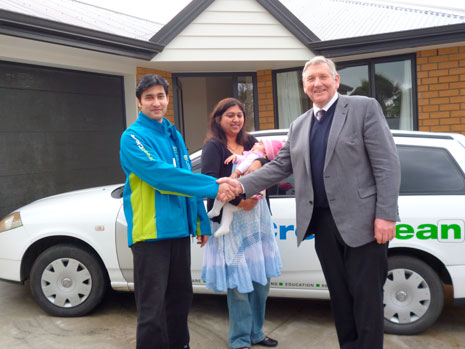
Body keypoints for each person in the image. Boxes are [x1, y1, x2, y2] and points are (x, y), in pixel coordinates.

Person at [219, 56, 401, 349]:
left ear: (336, 80)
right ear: (304, 87)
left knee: (366, 299)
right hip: (324, 225)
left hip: (364, 224)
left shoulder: (363, 108)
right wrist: (240, 184)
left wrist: (386, 215)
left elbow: (387, 164)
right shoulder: (300, 124)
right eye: (310, 79)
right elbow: (279, 166)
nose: (317, 83)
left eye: (322, 77)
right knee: (341, 299)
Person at [119, 74, 234, 349]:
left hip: (179, 231)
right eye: (149, 97)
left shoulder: (174, 135)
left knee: (180, 300)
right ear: (139, 102)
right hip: (150, 234)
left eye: (161, 96)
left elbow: (184, 177)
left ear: (167, 99)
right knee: (152, 309)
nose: (156, 102)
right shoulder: (132, 137)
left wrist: (201, 221)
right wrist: (213, 186)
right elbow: (162, 177)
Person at [201, 98, 282, 349]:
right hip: (232, 225)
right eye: (230, 115)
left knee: (261, 281)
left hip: (257, 223)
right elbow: (210, 184)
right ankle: (239, 339)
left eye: (239, 115)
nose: (236, 119)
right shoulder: (213, 147)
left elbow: (271, 170)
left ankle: (256, 332)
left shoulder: (251, 143)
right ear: (218, 119)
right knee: (238, 282)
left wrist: (256, 169)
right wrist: (240, 199)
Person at [208, 139, 285, 237]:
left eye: (260, 144)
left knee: (225, 191)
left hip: (246, 188)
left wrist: (236, 173)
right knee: (228, 207)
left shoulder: (256, 155)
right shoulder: (258, 157)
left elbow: (246, 162)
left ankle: (216, 209)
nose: (256, 143)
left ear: (266, 151)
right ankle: (224, 225)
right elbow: (245, 158)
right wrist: (236, 157)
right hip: (255, 193)